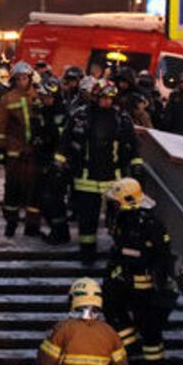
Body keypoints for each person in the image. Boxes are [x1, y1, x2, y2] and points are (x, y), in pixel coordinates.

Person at [56, 80, 142, 262]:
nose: (106, 101)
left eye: (110, 98)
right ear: (95, 97)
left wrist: (136, 164)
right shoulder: (80, 116)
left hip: (113, 178)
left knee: (120, 218)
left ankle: (120, 252)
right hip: (86, 178)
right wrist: (59, 162)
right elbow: (66, 140)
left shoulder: (122, 118)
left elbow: (132, 144)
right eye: (103, 98)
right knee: (87, 218)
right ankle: (87, 252)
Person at [103, 178, 174, 365]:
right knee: (112, 308)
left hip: (145, 285)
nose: (113, 205)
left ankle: (154, 363)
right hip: (126, 280)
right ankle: (131, 348)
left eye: (116, 201)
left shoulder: (149, 223)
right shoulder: (125, 219)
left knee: (148, 325)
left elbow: (157, 255)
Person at [0, 61, 40, 237]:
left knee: (34, 191)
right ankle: (11, 223)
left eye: (25, 78)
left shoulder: (37, 96)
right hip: (14, 152)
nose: (22, 82)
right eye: (19, 79)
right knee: (12, 189)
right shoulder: (7, 99)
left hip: (34, 152)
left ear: (30, 79)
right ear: (14, 80)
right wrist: (0, 150)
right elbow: (1, 126)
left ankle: (32, 226)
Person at [33, 75, 70, 244]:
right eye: (43, 96)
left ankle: (60, 233)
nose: (44, 99)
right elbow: (38, 131)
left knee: (53, 200)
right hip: (43, 161)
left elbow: (62, 140)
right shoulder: (43, 111)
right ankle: (56, 230)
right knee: (43, 199)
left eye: (47, 96)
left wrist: (47, 139)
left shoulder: (62, 114)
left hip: (57, 165)